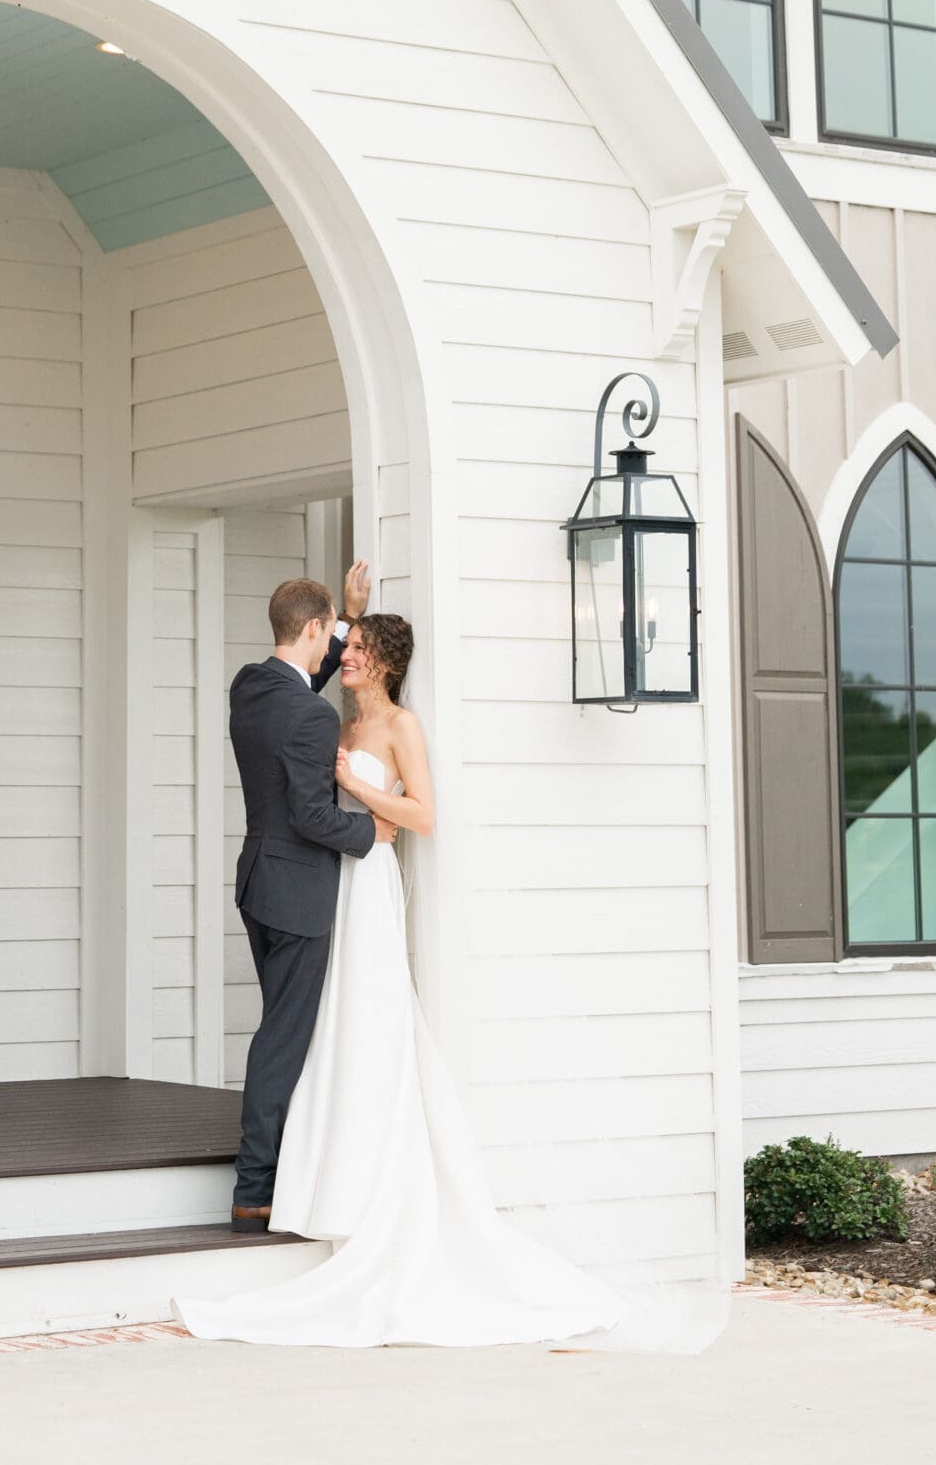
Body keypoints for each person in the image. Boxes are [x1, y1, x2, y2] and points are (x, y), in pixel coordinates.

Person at [176, 606, 629, 1348]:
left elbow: (422, 816)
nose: (343, 656)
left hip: (365, 878)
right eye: (341, 643)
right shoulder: (333, 722)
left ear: (382, 662)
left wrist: (367, 800)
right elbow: (309, 674)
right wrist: (349, 611)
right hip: (331, 884)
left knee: (367, 1021)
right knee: (324, 1030)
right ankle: (315, 1176)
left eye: (355, 650)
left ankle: (354, 1179)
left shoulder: (396, 728)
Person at [223, 563, 395, 1233]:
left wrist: (349, 612)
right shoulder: (311, 717)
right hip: (297, 891)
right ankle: (254, 1190)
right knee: (282, 1041)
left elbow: (301, 681)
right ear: (316, 628)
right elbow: (311, 817)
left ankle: (286, 1165)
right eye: (333, 637)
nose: (337, 653)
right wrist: (372, 831)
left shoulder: (252, 686)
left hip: (258, 881)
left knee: (281, 1028)